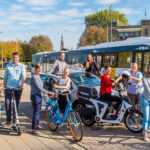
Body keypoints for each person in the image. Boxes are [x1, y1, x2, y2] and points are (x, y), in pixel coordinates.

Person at [3, 52, 26, 127]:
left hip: (18, 88)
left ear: (19, 58)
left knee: (16, 105)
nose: (15, 59)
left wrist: (22, 83)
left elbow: (23, 76)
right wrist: (4, 86)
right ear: (12, 58)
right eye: (14, 57)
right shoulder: (8, 66)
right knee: (7, 104)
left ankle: (15, 121)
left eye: (16, 57)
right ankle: (8, 120)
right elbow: (5, 77)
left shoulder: (22, 66)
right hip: (8, 87)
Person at [31, 64, 54, 135]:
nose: (40, 70)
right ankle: (34, 128)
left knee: (38, 111)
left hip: (39, 95)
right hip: (35, 96)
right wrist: (49, 92)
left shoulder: (38, 76)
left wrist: (45, 94)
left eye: (41, 69)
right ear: (36, 69)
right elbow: (39, 88)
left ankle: (37, 125)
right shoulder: (34, 77)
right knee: (36, 112)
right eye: (39, 69)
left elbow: (41, 87)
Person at [141, 64, 150, 142]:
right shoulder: (144, 78)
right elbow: (147, 88)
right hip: (145, 99)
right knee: (146, 117)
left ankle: (147, 130)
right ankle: (145, 134)